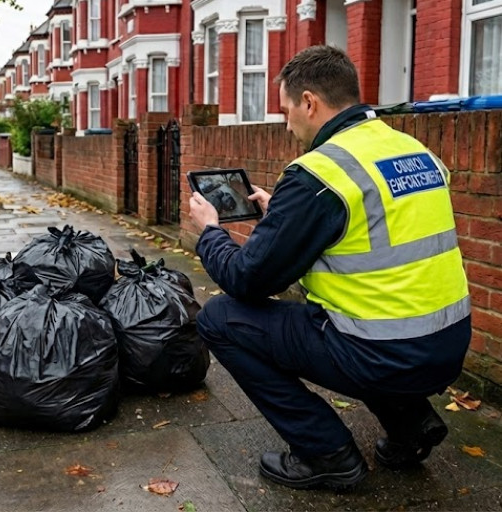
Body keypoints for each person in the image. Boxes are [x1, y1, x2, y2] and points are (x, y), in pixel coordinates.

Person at [189, 45, 471, 491]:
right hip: (448, 346)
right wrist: (283, 216)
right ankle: (411, 425)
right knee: (373, 318)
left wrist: (210, 232)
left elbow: (248, 280)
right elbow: (374, 233)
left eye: (286, 110)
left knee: (219, 318)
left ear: (309, 102)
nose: (286, 122)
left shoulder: (319, 174)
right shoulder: (413, 150)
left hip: (381, 355)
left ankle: (326, 454)